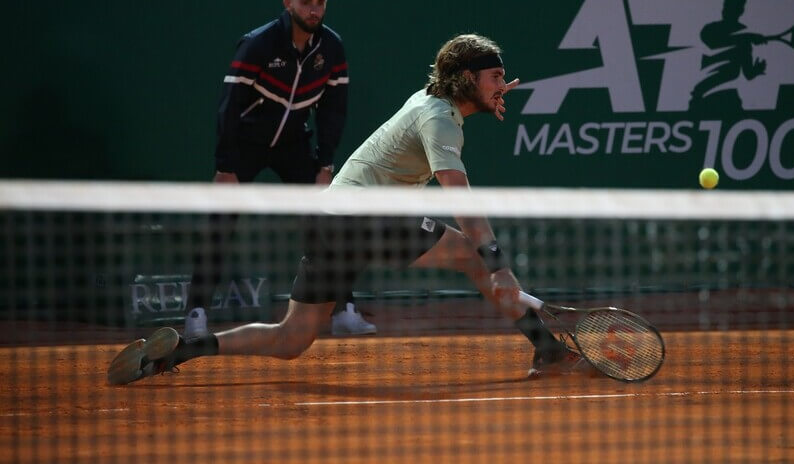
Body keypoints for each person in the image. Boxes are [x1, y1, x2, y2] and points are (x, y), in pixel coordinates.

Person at [107, 33, 588, 386]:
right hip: (363, 216)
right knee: (472, 253)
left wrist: (487, 98)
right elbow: (460, 200)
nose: (504, 85)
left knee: (292, 338)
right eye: (496, 77)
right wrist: (499, 265)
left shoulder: (430, 100)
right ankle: (546, 349)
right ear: (466, 78)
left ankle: (181, 352)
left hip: (328, 219)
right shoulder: (441, 121)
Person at [186, 0, 375, 340]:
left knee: (326, 222)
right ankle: (196, 315)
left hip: (294, 144)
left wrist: (325, 163)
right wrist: (225, 167)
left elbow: (333, 111)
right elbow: (229, 105)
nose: (314, 10)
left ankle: (344, 311)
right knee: (219, 224)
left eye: (320, 3)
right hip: (246, 144)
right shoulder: (258, 43)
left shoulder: (332, 48)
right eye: (306, 2)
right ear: (288, 4)